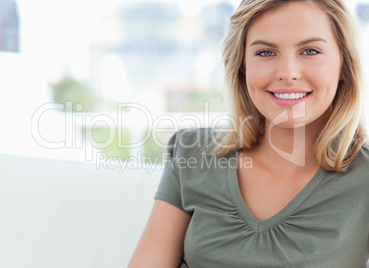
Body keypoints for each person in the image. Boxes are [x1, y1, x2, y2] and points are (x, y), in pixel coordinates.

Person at [129, 0, 369, 267]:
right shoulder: (192, 151)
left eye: (310, 50)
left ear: (344, 65)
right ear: (242, 66)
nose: (287, 73)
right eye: (265, 53)